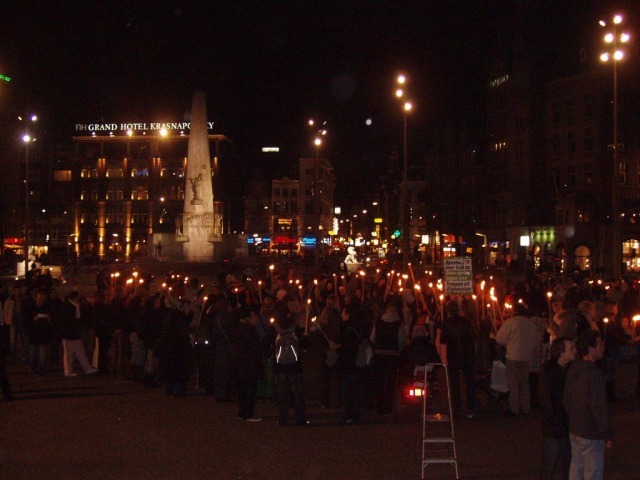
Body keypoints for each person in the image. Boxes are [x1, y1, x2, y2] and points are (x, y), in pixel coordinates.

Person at [563, 329, 612, 480]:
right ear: (591, 348)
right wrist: (606, 433)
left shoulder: (574, 367)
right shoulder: (594, 373)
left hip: (575, 428)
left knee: (576, 469)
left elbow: (566, 398)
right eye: (600, 345)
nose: (602, 348)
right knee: (592, 472)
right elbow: (598, 406)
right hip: (591, 431)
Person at [539, 337, 577, 480]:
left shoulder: (572, 369)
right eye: (571, 348)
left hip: (569, 425)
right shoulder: (549, 370)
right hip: (554, 427)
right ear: (560, 352)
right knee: (550, 465)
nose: (575, 351)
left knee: (570, 465)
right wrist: (554, 421)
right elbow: (546, 399)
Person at [495, 301, 540, 415]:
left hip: (513, 356)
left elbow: (499, 339)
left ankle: (515, 408)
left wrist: (509, 342)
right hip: (526, 357)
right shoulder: (530, 324)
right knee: (524, 383)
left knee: (514, 383)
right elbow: (536, 340)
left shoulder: (510, 322)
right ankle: (526, 407)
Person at [439, 301, 477, 418]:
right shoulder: (466, 322)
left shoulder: (446, 323)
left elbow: (443, 342)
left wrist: (444, 359)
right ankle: (471, 407)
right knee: (469, 382)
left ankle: (457, 407)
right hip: (467, 355)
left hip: (453, 356)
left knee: (454, 383)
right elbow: (474, 337)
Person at [232, 306, 263, 422]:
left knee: (243, 390)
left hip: (241, 365)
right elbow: (255, 347)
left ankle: (242, 412)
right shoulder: (247, 330)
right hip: (248, 365)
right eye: (254, 316)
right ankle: (247, 413)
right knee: (249, 390)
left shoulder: (239, 328)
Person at [59, 290, 98, 377]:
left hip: (70, 333)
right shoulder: (70, 307)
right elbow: (70, 321)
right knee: (73, 352)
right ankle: (77, 369)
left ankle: (80, 369)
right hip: (70, 333)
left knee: (75, 352)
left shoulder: (71, 306)